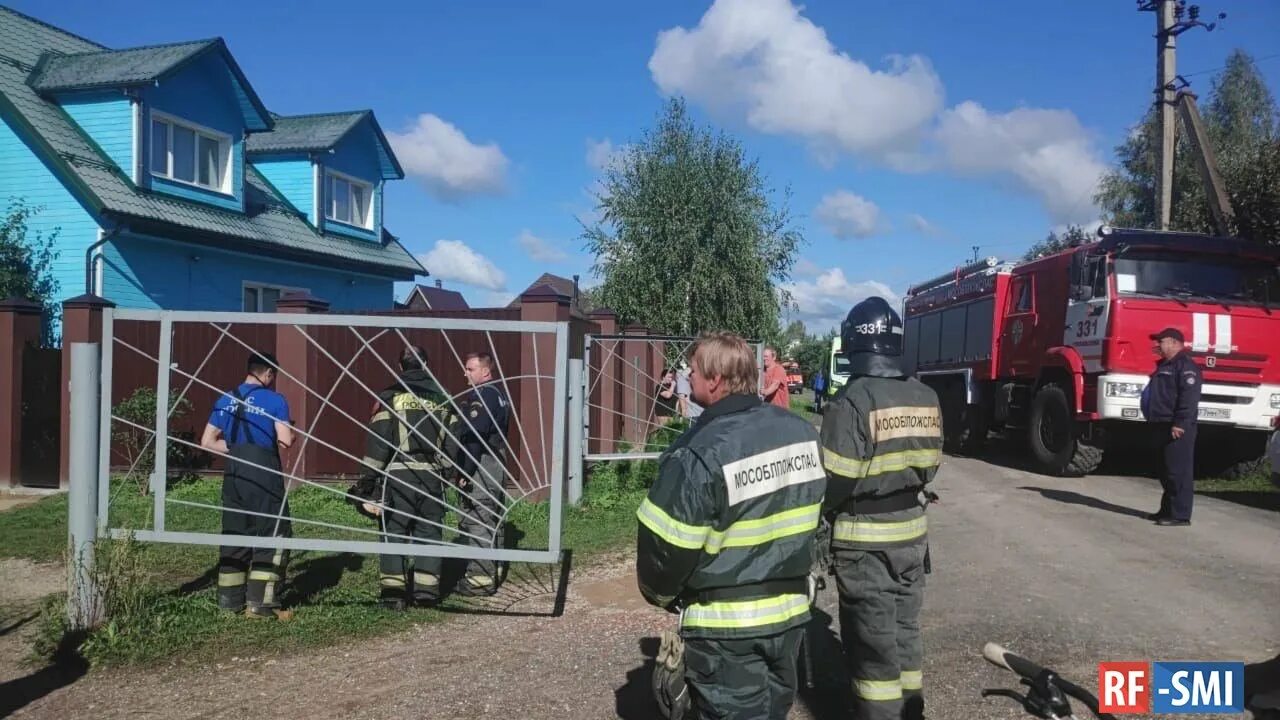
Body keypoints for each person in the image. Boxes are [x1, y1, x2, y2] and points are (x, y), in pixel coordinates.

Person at [636, 331, 827, 720]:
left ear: (715, 381)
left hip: (726, 628)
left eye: (692, 370)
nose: (687, 377)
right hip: (790, 616)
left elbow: (666, 548)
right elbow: (818, 515)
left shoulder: (698, 451)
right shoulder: (803, 433)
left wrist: (660, 594)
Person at [819, 297, 943, 720]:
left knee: (873, 646)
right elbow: (931, 467)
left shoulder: (853, 400)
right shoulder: (926, 396)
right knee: (906, 630)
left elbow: (833, 480)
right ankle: (912, 711)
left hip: (864, 540)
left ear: (854, 344)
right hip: (912, 533)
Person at [200, 351, 295, 619]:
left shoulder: (225, 398)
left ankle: (229, 603)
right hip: (263, 472)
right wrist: (292, 434)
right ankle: (261, 604)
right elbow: (285, 440)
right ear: (267, 373)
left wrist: (235, 450)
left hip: (234, 474)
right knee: (273, 532)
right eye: (273, 375)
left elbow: (206, 442)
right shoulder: (276, 400)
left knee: (235, 533)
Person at [361, 345, 457, 609]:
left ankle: (394, 596)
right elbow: (453, 443)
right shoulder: (443, 397)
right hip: (432, 478)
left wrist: (368, 481)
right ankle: (426, 595)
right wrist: (449, 474)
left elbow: (379, 442)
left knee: (393, 533)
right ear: (426, 365)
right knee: (430, 533)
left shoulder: (390, 395)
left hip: (398, 477)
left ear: (400, 367)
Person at [453, 350, 511, 596]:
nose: (465, 373)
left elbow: (474, 438)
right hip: (497, 462)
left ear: (485, 371)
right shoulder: (499, 395)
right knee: (492, 518)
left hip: (483, 464)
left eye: (470, 369)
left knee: (479, 518)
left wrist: (464, 471)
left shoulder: (483, 395)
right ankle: (492, 570)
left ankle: (478, 580)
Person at [1142, 327, 1201, 527]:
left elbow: (1188, 399)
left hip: (1176, 427)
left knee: (1178, 471)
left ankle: (1181, 515)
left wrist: (1180, 423)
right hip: (1160, 423)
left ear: (1175, 343)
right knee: (1165, 469)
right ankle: (1167, 510)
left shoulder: (1185, 366)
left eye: (1161, 341)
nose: (1157, 344)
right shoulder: (1164, 365)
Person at [761, 346, 790, 411]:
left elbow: (775, 384)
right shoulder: (763, 370)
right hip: (768, 407)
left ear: (774, 357)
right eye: (763, 356)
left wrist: (765, 392)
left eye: (766, 356)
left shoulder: (778, 369)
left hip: (780, 409)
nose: (763, 358)